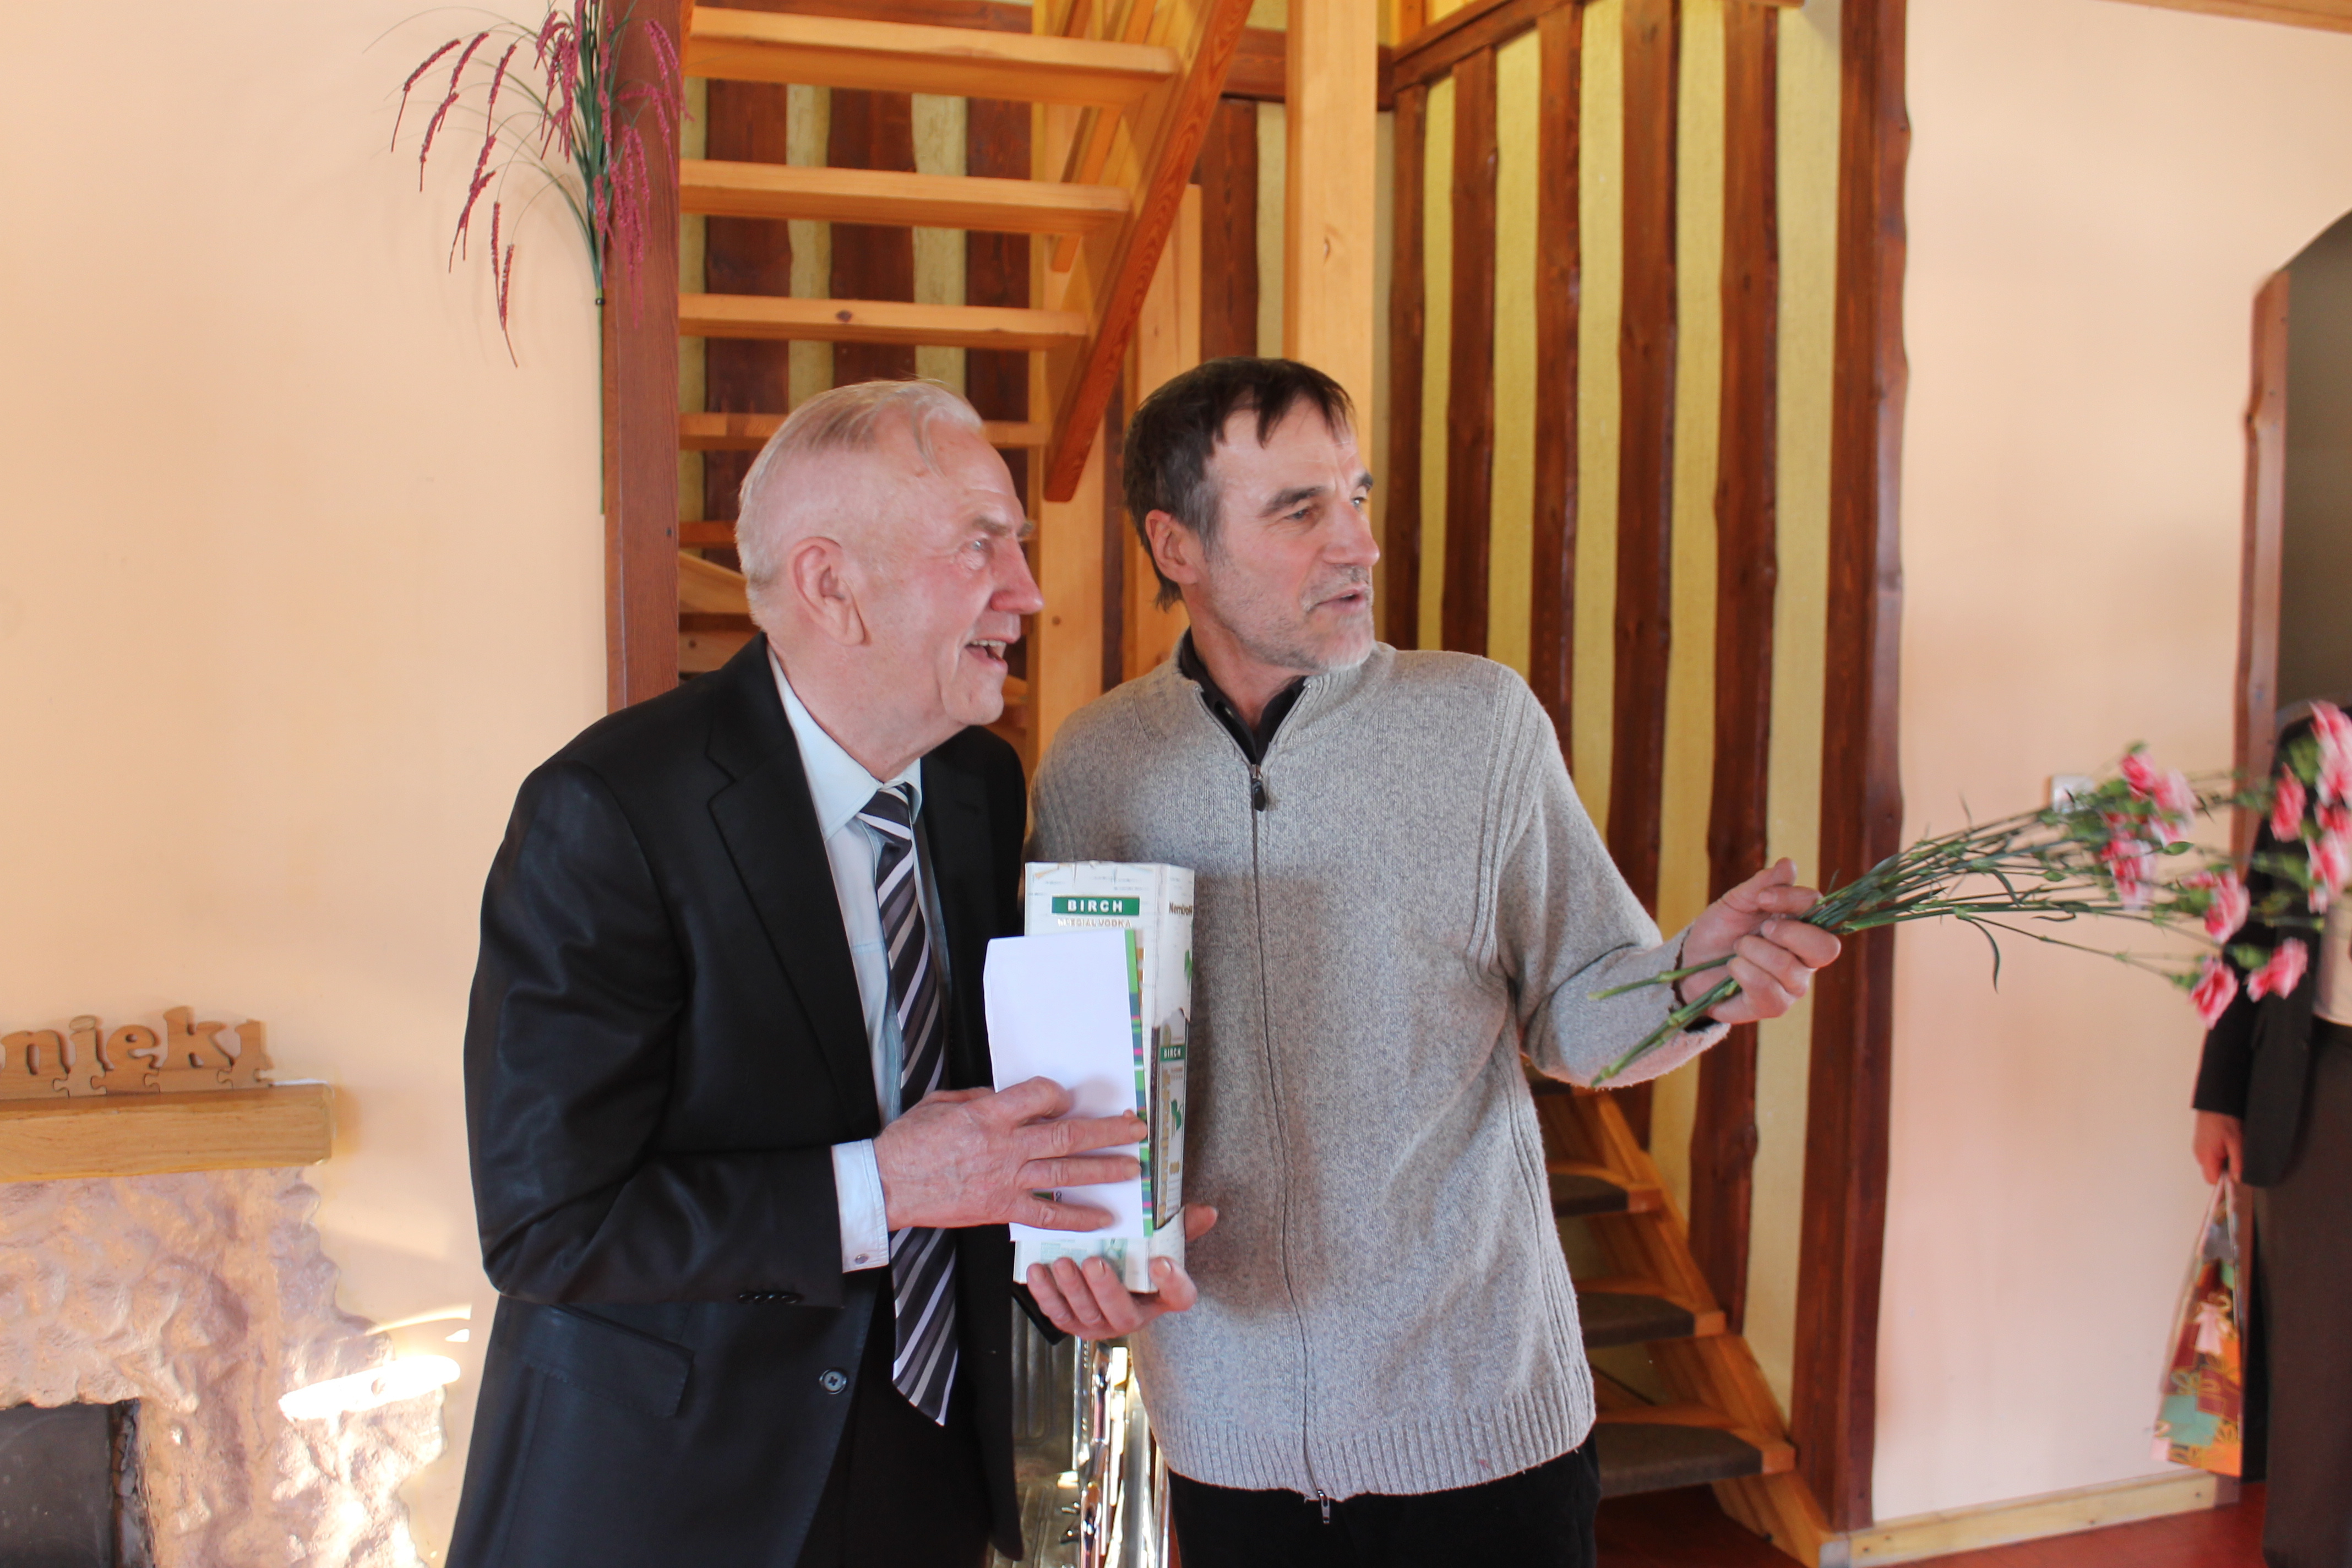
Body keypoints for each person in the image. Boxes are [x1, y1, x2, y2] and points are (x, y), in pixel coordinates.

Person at [1021, 357, 1843, 1567]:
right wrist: (1076, 1252)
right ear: (1175, 544)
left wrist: (1690, 979)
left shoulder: (1480, 723)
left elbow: (1579, 1009)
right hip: (1227, 1433)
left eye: (1356, 495)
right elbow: (1079, 1079)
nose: (1357, 542)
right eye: (1299, 509)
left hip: (1484, 1428)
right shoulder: (1096, 766)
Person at [446, 380, 1191, 1568]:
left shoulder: (977, 785)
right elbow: (550, 1226)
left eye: (1016, 544)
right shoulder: (610, 812)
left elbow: (965, 1131)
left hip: (926, 1473)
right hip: (670, 1497)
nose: (1027, 590)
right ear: (831, 584)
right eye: (981, 545)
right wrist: (881, 1187)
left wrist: (1083, 1245)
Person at [2193, 701, 2352, 1568]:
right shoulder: (2322, 745)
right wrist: (2220, 1096)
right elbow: (2255, 923)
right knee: (2321, 1357)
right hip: (2323, 1073)